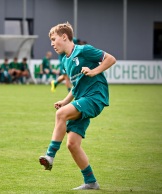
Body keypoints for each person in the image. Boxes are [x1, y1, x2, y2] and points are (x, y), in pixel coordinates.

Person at [39, 22, 116, 190]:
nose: (52, 44)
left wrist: (95, 71)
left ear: (64, 37)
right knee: (72, 144)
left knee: (61, 115)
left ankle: (50, 156)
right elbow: (76, 86)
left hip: (95, 97)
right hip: (82, 99)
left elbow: (110, 59)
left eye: (54, 39)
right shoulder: (67, 61)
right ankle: (91, 182)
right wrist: (65, 101)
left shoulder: (84, 50)